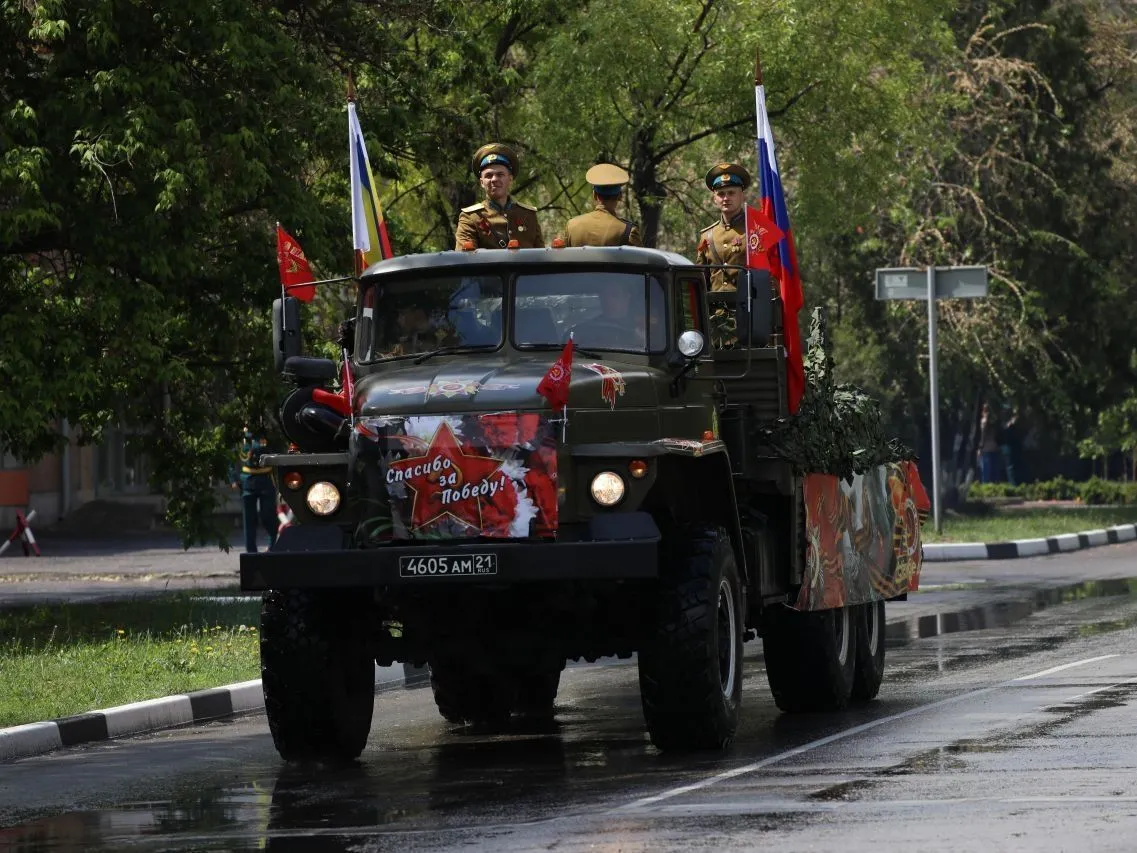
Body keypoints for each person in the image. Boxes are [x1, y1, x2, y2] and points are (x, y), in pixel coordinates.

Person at [455, 143, 544, 250]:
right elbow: (465, 260)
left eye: (500, 174)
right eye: (488, 175)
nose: (494, 179)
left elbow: (542, 257)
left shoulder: (528, 215)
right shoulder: (471, 217)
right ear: (482, 182)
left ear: (510, 179)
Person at [694, 163, 751, 291]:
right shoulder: (707, 235)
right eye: (721, 194)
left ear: (742, 196)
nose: (726, 198)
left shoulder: (755, 231)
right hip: (716, 310)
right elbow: (700, 279)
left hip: (748, 308)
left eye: (731, 193)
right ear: (714, 199)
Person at [561, 163, 641, 247]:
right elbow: (641, 259)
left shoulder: (572, 226)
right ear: (620, 196)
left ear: (594, 195)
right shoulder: (628, 231)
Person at [232, 424, 279, 554]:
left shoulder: (267, 434)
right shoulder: (241, 437)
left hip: (265, 479)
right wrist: (233, 479)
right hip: (247, 480)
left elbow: (277, 453)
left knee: (268, 515)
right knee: (249, 520)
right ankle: (251, 551)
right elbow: (231, 458)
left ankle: (273, 544)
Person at [977, 402, 1002, 484]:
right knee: (994, 472)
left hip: (986, 449)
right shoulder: (994, 421)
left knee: (986, 473)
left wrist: (980, 447)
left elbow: (982, 435)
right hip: (994, 447)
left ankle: (986, 489)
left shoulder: (984, 421)